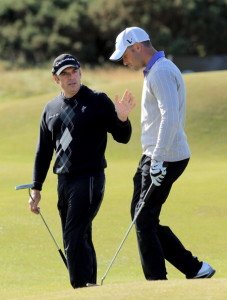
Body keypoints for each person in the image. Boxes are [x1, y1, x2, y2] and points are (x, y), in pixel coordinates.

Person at [109, 27, 215, 280]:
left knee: (143, 218)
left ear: (137, 47)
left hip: (165, 156)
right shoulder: (155, 71)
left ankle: (157, 281)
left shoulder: (161, 72)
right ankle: (195, 268)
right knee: (143, 216)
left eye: (124, 55)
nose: (124, 61)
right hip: (157, 154)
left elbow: (170, 117)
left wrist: (157, 158)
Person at [28, 53, 135, 288]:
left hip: (89, 178)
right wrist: (36, 187)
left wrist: (123, 118)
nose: (71, 77)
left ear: (80, 72)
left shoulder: (97, 100)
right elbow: (43, 151)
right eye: (64, 74)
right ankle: (90, 286)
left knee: (73, 235)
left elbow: (122, 137)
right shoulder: (50, 109)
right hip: (64, 181)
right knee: (81, 235)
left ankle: (80, 288)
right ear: (55, 79)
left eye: (74, 71)